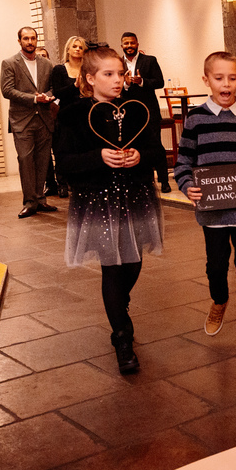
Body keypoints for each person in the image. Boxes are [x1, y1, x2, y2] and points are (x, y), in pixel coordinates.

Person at [56, 44, 164, 374]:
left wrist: (139, 157)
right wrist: (98, 157)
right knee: (112, 267)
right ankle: (122, 337)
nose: (118, 80)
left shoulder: (136, 107)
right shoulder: (73, 113)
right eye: (109, 74)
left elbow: (157, 151)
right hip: (97, 199)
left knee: (132, 263)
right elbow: (63, 163)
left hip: (134, 196)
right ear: (90, 78)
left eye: (120, 73)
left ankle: (119, 305)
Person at [174, 51, 236, 357]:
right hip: (213, 213)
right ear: (206, 80)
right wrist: (188, 186)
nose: (226, 84)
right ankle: (219, 300)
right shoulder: (196, 119)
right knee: (216, 267)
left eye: (232, 78)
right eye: (219, 78)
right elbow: (182, 163)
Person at [1, 27, 57, 219]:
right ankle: (29, 201)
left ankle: (40, 199)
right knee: (25, 160)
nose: (30, 42)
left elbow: (53, 88)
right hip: (22, 120)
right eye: (26, 38)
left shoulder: (47, 64)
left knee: (43, 160)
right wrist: (34, 99)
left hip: (44, 118)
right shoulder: (9, 63)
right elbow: (7, 90)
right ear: (19, 41)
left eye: (33, 38)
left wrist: (46, 96)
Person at [119, 32, 171, 193]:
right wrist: (126, 85)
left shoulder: (150, 60)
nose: (129, 46)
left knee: (155, 145)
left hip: (149, 111)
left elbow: (160, 82)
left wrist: (142, 82)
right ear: (121, 46)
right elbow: (115, 86)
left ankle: (164, 180)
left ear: (137, 44)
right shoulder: (117, 63)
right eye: (126, 43)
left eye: (132, 43)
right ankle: (141, 181)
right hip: (128, 112)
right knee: (132, 146)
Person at [49, 35, 88, 198]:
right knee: (64, 149)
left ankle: (80, 181)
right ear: (68, 49)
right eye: (74, 47)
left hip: (85, 113)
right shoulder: (59, 69)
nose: (77, 49)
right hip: (66, 114)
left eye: (80, 47)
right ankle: (62, 183)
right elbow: (57, 92)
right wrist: (74, 86)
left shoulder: (88, 69)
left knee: (83, 149)